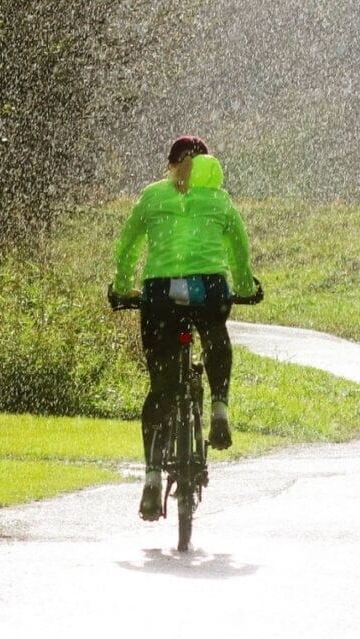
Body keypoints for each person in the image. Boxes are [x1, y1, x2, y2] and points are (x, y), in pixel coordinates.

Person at [111, 135, 259, 522]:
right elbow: (239, 251)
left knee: (160, 387)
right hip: (209, 287)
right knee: (214, 335)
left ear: (170, 163)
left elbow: (127, 246)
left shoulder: (152, 197)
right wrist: (245, 287)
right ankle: (220, 407)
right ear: (209, 166)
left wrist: (123, 286)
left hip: (160, 291)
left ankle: (151, 477)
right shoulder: (219, 200)